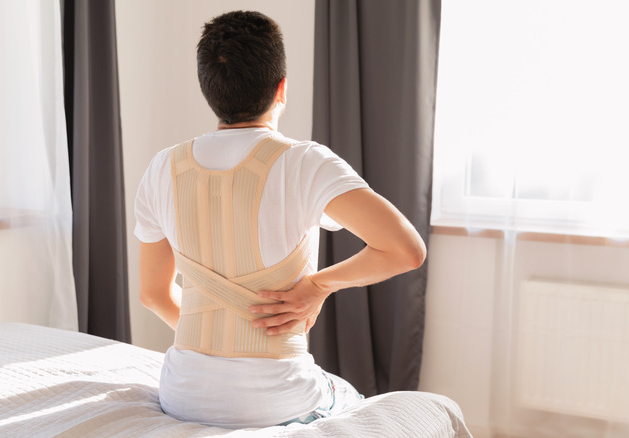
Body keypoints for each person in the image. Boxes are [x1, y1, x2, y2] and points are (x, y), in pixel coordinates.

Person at [133, 10, 426, 429]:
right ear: (281, 88)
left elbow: (153, 294)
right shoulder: (304, 162)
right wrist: (317, 286)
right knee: (354, 401)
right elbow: (406, 250)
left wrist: (218, 334)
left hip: (181, 396)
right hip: (276, 401)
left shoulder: (162, 168)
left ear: (209, 90)